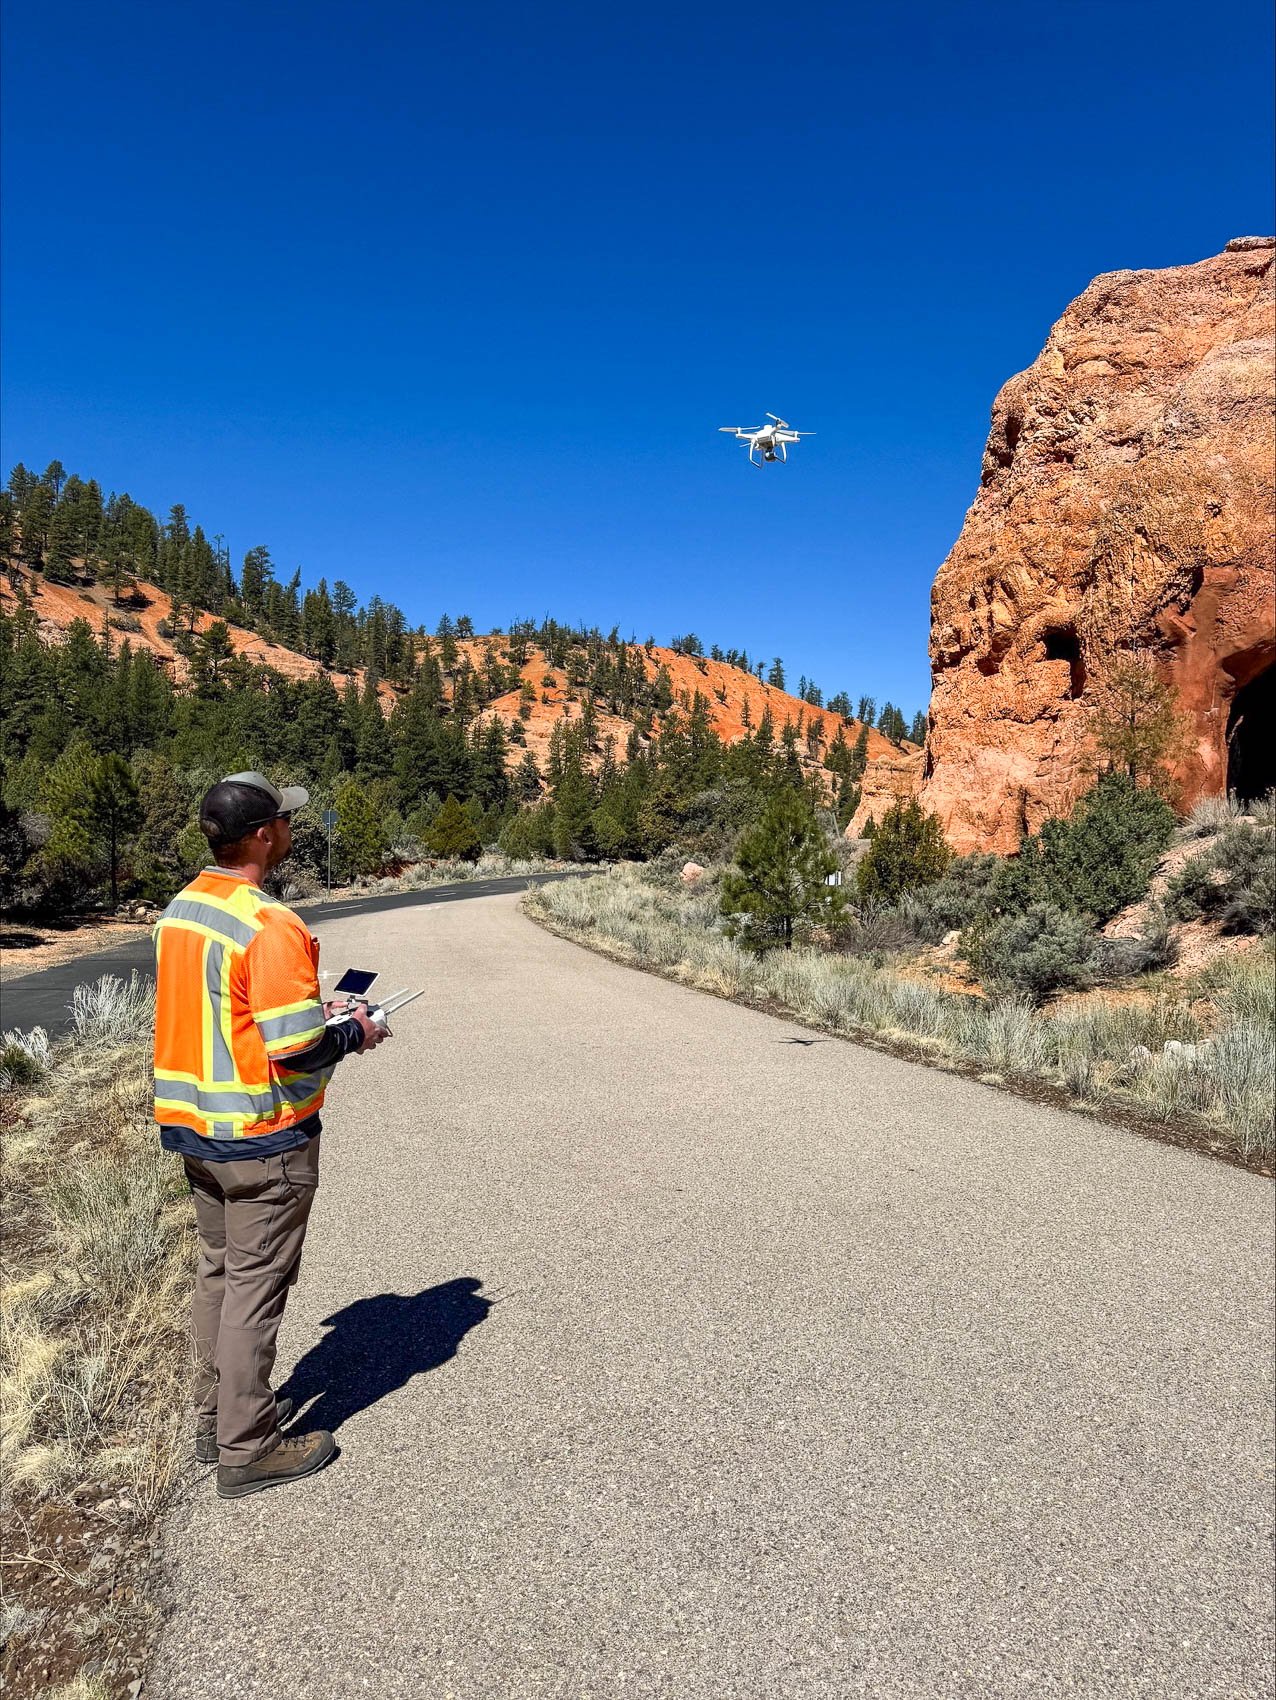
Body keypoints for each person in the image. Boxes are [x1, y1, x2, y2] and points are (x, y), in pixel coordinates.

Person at [152, 771, 391, 1499]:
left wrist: (309, 1008)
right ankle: (248, 1448)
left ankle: (216, 1416)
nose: (290, 830)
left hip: (195, 1130)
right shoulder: (269, 922)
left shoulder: (184, 910)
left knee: (218, 1277)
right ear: (263, 835)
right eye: (284, 821)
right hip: (264, 1137)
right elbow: (296, 1049)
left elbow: (234, 1013)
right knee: (256, 1290)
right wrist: (357, 1029)